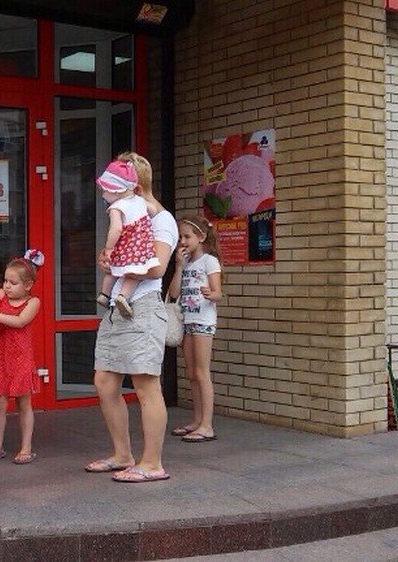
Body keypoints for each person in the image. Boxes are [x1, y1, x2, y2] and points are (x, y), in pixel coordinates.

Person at [85, 151, 178, 483]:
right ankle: (122, 454)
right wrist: (108, 262)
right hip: (118, 308)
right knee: (105, 381)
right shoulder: (126, 212)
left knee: (145, 384)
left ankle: (152, 463)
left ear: (133, 184)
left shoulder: (161, 219)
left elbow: (158, 267)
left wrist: (120, 262)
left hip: (143, 306)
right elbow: (118, 259)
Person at [0, 249, 43, 465]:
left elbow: (21, 322)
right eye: (5, 281)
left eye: (13, 283)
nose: (7, 286)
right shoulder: (1, 295)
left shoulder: (33, 302)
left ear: (28, 285)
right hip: (0, 356)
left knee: (24, 403)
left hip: (21, 357)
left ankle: (26, 447)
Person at [167, 215, 224, 443]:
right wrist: (179, 266)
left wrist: (211, 294)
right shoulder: (188, 262)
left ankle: (207, 425)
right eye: (181, 236)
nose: (183, 241)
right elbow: (173, 293)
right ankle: (197, 421)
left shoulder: (210, 261)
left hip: (203, 320)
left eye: (187, 236)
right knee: (191, 374)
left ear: (201, 237)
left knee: (202, 373)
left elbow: (218, 292)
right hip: (186, 321)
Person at [94, 159, 160, 318]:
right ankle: (123, 297)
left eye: (105, 190)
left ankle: (105, 294)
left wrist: (109, 247)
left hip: (123, 245)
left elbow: (116, 229)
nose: (103, 194)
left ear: (116, 190)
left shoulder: (116, 207)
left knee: (113, 269)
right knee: (133, 273)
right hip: (139, 248)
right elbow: (154, 210)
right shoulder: (140, 201)